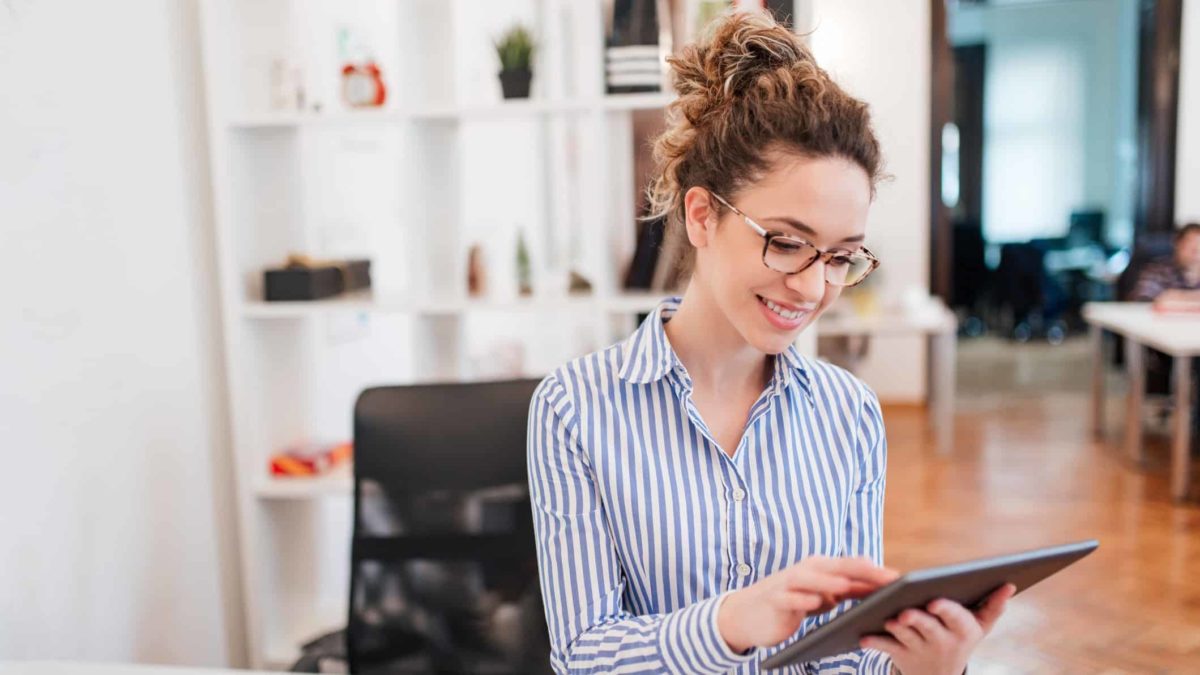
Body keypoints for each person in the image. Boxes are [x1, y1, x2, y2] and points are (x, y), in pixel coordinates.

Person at [526, 12, 1014, 675]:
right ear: (702, 215)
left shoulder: (850, 413)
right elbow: (582, 655)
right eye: (786, 241)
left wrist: (927, 665)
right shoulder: (574, 408)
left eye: (841, 257)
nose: (813, 287)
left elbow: (849, 651)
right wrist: (728, 623)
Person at [1131, 222, 1200, 306]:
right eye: (1190, 245)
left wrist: (1177, 297)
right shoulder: (1158, 271)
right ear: (1177, 244)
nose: (1196, 251)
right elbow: (1143, 300)